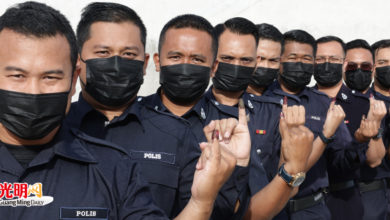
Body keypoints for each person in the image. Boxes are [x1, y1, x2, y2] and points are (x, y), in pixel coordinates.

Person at [0, 2, 237, 219]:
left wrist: (201, 202)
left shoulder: (116, 166)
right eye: (17, 76)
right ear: (82, 66)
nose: (34, 91)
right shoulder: (70, 131)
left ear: (72, 78)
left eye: (50, 77)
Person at [150, 16, 314, 220]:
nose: (186, 66)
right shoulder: (136, 116)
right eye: (228, 58)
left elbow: (250, 210)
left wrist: (293, 167)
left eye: (245, 60)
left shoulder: (230, 128)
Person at [263, 29, 363, 220]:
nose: (299, 63)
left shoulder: (322, 103)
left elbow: (341, 161)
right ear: (280, 60)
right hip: (266, 209)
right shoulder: (261, 99)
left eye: (307, 58)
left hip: (310, 208)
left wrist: (360, 141)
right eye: (293, 57)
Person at [313, 36, 385, 220]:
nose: (327, 65)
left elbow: (375, 160)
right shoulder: (303, 101)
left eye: (333, 59)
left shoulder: (365, 104)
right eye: (320, 59)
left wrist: (372, 131)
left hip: (349, 198)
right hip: (308, 200)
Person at [247, 23, 283, 96]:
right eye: (260, 58)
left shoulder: (287, 98)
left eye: (273, 60)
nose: (265, 66)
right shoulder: (224, 98)